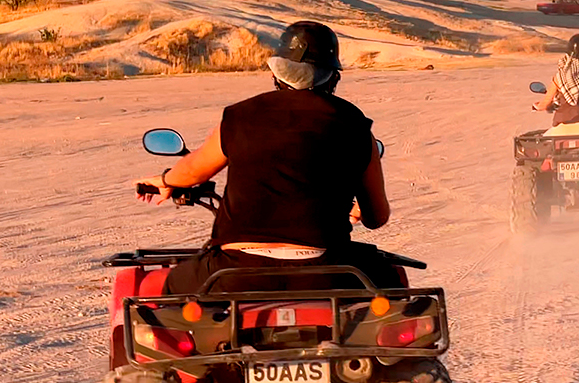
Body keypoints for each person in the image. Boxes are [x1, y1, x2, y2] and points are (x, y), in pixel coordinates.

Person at [134, 21, 398, 294]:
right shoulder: (354, 125)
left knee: (162, 299)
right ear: (332, 76)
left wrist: (166, 179)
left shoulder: (240, 116)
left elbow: (192, 172)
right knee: (392, 284)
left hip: (235, 273)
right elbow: (376, 217)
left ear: (277, 73)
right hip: (327, 274)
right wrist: (356, 211)